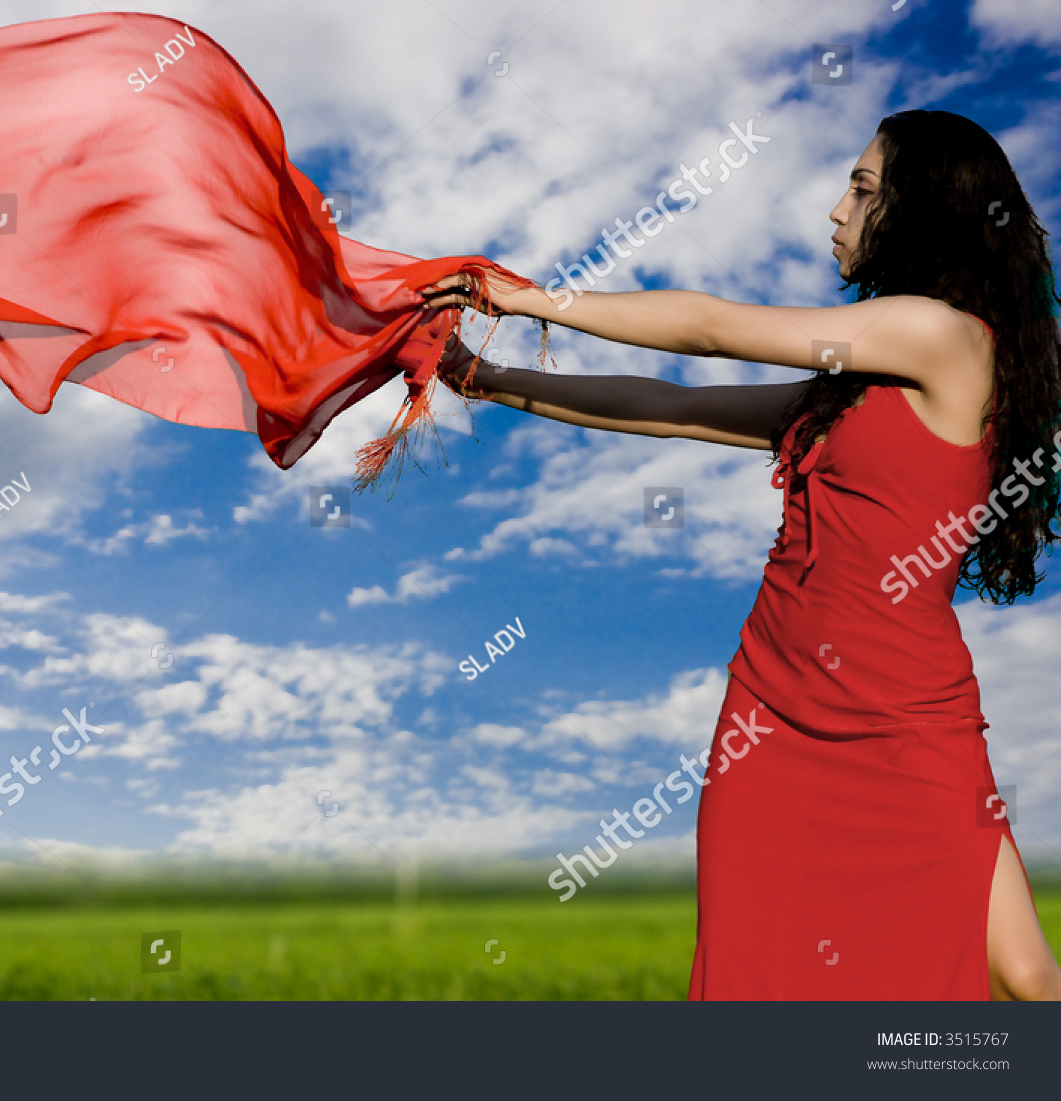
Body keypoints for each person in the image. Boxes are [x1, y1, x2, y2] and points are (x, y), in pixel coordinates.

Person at [420, 108, 1061, 1000]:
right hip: (769, 717)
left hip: (909, 718)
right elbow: (670, 406)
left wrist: (528, 299)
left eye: (863, 187)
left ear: (923, 207)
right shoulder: (846, 392)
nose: (836, 209)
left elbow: (712, 327)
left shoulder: (942, 336)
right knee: (758, 977)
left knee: (1029, 974)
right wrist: (481, 377)